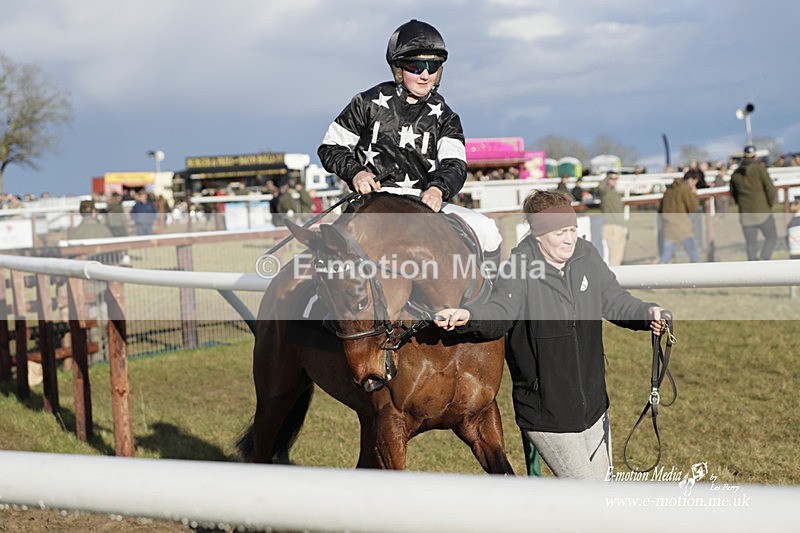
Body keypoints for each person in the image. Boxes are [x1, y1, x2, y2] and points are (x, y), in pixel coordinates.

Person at [432, 190, 665, 480]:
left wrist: (648, 313)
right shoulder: (518, 269)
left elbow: (615, 299)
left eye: (572, 230)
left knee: (600, 490)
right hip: (547, 412)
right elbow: (500, 311)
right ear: (538, 234)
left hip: (593, 405)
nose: (569, 239)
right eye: (559, 233)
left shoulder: (587, 256)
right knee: (589, 494)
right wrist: (468, 317)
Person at [317, 19, 502, 264]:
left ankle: (488, 302)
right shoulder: (367, 103)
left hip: (422, 201)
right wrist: (357, 173)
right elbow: (330, 147)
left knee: (488, 230)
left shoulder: (445, 116)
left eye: (432, 66)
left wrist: (438, 189)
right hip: (374, 201)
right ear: (398, 68)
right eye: (416, 66)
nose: (425, 74)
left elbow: (455, 165)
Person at [729, 145, 777, 261]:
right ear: (754, 156)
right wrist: (769, 205)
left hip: (746, 215)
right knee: (772, 237)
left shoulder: (736, 174)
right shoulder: (759, 169)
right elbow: (770, 189)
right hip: (763, 212)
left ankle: (752, 272)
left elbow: (733, 194)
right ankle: (764, 260)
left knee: (751, 244)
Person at [658, 177, 699, 263]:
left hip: (669, 228)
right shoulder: (684, 189)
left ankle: (658, 274)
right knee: (694, 255)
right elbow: (693, 207)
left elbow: (660, 211)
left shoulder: (668, 191)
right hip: (683, 228)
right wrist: (694, 194)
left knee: (665, 255)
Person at [595, 170, 627, 265]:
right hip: (611, 225)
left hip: (619, 224)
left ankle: (617, 273)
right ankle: (615, 275)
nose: (614, 180)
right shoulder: (606, 192)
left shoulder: (615, 192)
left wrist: (624, 226)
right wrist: (607, 178)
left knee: (619, 252)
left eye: (616, 178)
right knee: (615, 253)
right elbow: (600, 188)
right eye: (612, 178)